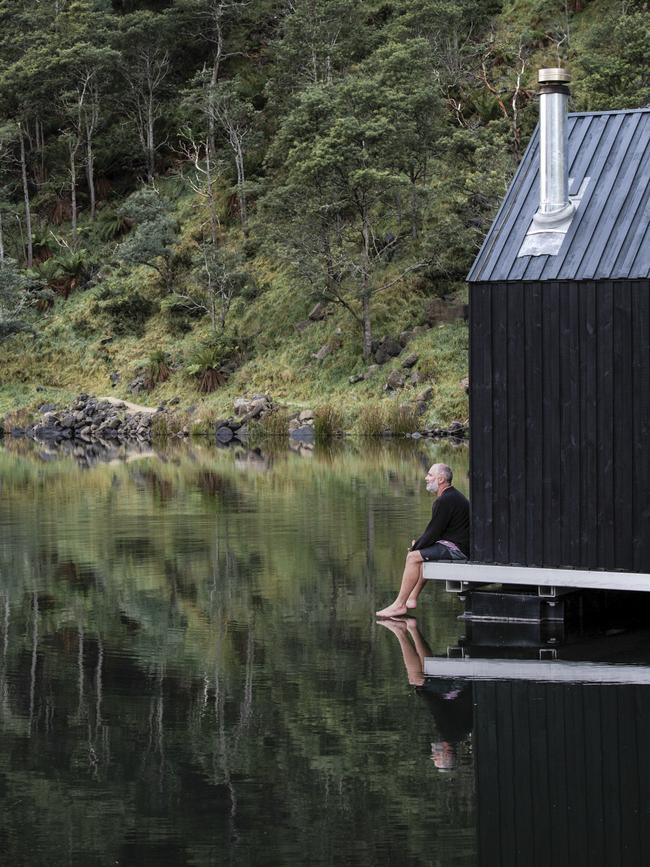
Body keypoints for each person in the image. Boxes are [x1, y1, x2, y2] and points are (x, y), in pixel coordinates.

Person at [375, 463, 469, 618]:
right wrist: (420, 545)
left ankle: (399, 605)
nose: (426, 478)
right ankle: (411, 598)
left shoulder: (445, 501)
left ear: (440, 479)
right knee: (422, 554)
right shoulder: (452, 497)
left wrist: (415, 548)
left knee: (413, 558)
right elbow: (437, 532)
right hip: (456, 545)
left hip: (457, 549)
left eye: (430, 475)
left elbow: (433, 532)